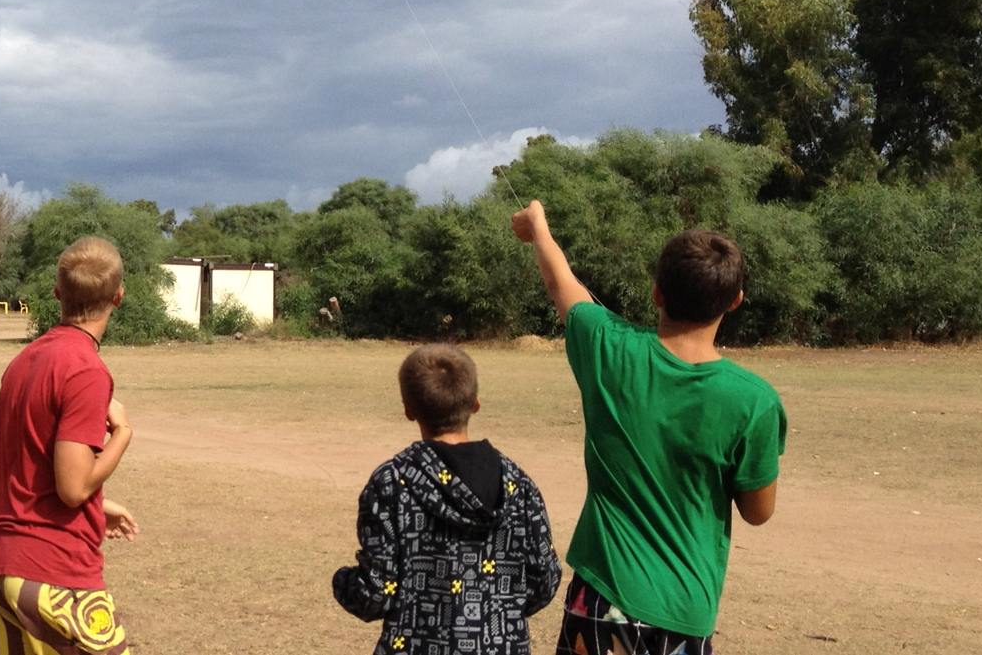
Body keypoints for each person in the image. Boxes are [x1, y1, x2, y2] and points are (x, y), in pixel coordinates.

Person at [511, 200, 785, 655]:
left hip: (601, 599)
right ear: (735, 301)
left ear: (657, 293)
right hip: (686, 608)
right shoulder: (754, 400)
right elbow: (758, 511)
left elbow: (560, 283)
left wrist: (539, 224)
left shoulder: (607, 348)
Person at [334, 344, 562, 654]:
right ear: (476, 404)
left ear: (409, 410)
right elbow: (544, 580)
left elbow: (375, 593)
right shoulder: (518, 484)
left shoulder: (391, 483)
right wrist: (498, 608)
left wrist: (343, 581)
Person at [0, 237, 139, 655]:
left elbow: (32, 463)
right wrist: (121, 435)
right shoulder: (85, 369)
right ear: (118, 297)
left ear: (56, 294)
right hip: (54, 571)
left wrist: (98, 507)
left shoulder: (23, 362)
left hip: (0, 569)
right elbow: (73, 487)